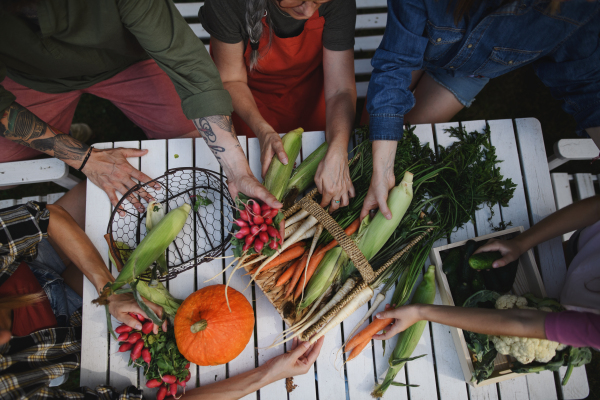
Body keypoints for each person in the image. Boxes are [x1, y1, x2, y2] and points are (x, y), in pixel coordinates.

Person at [0, 201, 324, 399]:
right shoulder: (13, 388)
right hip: (64, 331)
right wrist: (268, 374)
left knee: (102, 198)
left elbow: (49, 217)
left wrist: (109, 290)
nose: (3, 337)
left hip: (35, 254)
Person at [0, 0, 279, 227]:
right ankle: (68, 134)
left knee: (194, 142)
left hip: (127, 60)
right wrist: (84, 159)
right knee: (5, 167)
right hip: (31, 78)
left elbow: (191, 71)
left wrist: (238, 172)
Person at [360, 0, 600, 221]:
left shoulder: (580, 8)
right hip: (417, 41)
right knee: (369, 132)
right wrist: (382, 167)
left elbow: (587, 84)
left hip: (469, 72)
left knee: (408, 139)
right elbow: (396, 64)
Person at [373, 196, 600, 349]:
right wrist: (521, 243)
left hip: (572, 296)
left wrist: (421, 311)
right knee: (558, 259)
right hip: (583, 245)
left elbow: (523, 322)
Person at [199, 0, 357, 211]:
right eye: (299, 0)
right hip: (248, 102)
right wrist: (262, 129)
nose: (308, 10)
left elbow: (340, 89)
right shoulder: (229, 4)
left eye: (318, 2)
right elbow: (231, 80)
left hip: (312, 98)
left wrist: (338, 148)